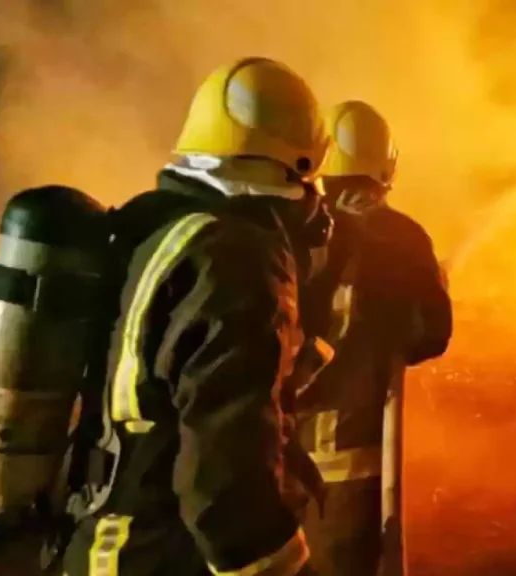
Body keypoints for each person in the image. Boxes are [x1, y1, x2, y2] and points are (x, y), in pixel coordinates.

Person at [58, 56, 333, 576]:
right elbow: (227, 483)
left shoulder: (155, 227)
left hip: (101, 541)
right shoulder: (237, 257)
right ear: (297, 165)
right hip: (163, 555)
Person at [289, 100, 453, 576]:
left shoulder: (289, 226)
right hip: (350, 466)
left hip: (275, 457)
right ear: (385, 165)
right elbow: (431, 336)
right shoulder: (398, 236)